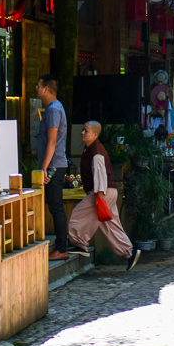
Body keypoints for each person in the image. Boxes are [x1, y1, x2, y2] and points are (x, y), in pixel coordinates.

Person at [67, 121, 141, 271]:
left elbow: (100, 177)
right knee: (110, 226)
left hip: (102, 192)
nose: (82, 133)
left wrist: (99, 197)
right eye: (83, 130)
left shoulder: (96, 153)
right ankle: (130, 252)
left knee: (78, 214)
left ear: (95, 134)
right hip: (108, 192)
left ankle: (79, 243)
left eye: (86, 131)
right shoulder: (92, 150)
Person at [36, 74, 70, 261]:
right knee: (54, 206)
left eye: (38, 85)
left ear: (46, 89)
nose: (36, 88)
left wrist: (44, 168)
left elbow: (52, 141)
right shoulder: (54, 108)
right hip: (55, 163)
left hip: (54, 165)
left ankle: (62, 247)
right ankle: (61, 245)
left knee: (56, 206)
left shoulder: (53, 110)